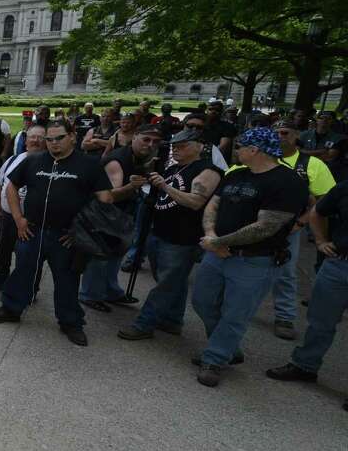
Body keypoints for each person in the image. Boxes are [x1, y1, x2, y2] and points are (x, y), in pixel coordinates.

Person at [190, 127, 307, 387]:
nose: (236, 149)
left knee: (236, 313)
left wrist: (220, 242)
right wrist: (211, 236)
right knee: (202, 301)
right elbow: (214, 204)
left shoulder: (289, 183)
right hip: (216, 253)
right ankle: (228, 348)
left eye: (241, 146)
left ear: (255, 150)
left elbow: (265, 226)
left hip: (254, 260)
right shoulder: (237, 174)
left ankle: (215, 358)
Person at [0, 119, 115, 347]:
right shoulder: (35, 160)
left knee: (66, 279)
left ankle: (70, 322)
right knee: (23, 271)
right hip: (32, 231)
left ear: (72, 136)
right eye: (49, 139)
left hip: (65, 237)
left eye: (59, 138)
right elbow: (11, 186)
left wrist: (81, 230)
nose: (53, 143)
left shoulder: (89, 165)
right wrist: (18, 219)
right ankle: (11, 308)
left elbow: (105, 199)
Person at [117, 128, 222, 340]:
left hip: (182, 238)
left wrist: (164, 186)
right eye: (175, 146)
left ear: (199, 146)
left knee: (166, 284)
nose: (176, 150)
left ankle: (144, 324)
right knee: (174, 281)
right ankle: (173, 320)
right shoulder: (174, 167)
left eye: (183, 146)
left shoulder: (208, 171)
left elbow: (195, 202)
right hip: (160, 231)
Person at [265, 177, 348, 412]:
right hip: (339, 264)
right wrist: (320, 241)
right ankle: (305, 366)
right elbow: (317, 212)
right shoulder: (345, 187)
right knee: (320, 321)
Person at [79, 126, 162, 311]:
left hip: (121, 216)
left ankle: (110, 290)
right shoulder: (117, 160)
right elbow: (108, 196)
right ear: (134, 137)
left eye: (155, 142)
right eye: (146, 140)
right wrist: (132, 187)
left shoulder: (137, 158)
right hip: (104, 216)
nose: (150, 145)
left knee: (115, 255)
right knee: (101, 256)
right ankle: (90, 294)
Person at [268, 120, 335, 340]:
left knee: (285, 273)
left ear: (297, 135)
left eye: (285, 132)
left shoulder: (312, 164)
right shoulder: (263, 157)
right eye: (276, 132)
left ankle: (285, 317)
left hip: (290, 229)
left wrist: (300, 223)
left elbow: (324, 200)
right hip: (256, 224)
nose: (280, 136)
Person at [0, 124, 47, 292]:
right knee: (3, 253)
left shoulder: (50, 164)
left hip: (31, 222)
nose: (36, 140)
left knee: (28, 257)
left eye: (41, 137)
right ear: (26, 141)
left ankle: (30, 288)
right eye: (33, 137)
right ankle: (0, 279)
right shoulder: (13, 160)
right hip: (8, 217)